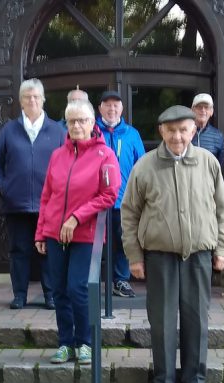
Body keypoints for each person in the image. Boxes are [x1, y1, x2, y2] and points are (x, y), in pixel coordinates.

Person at [122, 105, 224, 383]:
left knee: (196, 320)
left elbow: (223, 210)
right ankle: (164, 381)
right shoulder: (145, 166)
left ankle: (195, 381)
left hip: (199, 254)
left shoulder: (208, 163)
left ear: (193, 130)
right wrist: (134, 255)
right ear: (161, 131)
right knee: (162, 320)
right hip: (159, 256)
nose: (177, 136)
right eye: (171, 130)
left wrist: (222, 248)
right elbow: (129, 212)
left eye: (183, 130)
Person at [35, 99, 120, 365]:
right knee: (58, 289)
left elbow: (109, 195)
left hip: (86, 234)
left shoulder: (104, 155)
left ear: (93, 123)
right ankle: (65, 343)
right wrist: (41, 232)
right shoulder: (57, 155)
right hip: (54, 234)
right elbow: (47, 195)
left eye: (82, 120)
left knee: (77, 288)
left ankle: (85, 342)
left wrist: (76, 217)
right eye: (72, 121)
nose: (77, 126)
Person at [0, 78, 65, 309]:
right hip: (17, 203)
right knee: (19, 251)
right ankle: (19, 295)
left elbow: (66, 164)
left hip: (48, 205)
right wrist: (5, 187)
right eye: (27, 97)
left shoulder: (58, 131)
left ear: (43, 100)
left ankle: (50, 295)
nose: (32, 100)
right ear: (21, 101)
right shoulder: (9, 130)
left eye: (36, 96)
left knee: (49, 252)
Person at [95, 90, 145, 298]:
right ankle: (92, 283)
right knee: (95, 243)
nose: (111, 109)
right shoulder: (91, 131)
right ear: (100, 109)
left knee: (124, 242)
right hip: (95, 201)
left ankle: (120, 281)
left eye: (116, 105)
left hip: (123, 201)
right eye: (107, 105)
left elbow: (141, 166)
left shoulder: (132, 134)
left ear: (122, 109)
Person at [190, 93, 224, 161]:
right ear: (192, 110)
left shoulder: (218, 136)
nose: (203, 110)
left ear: (211, 111)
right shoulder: (184, 131)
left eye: (206, 107)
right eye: (199, 107)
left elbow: (218, 165)